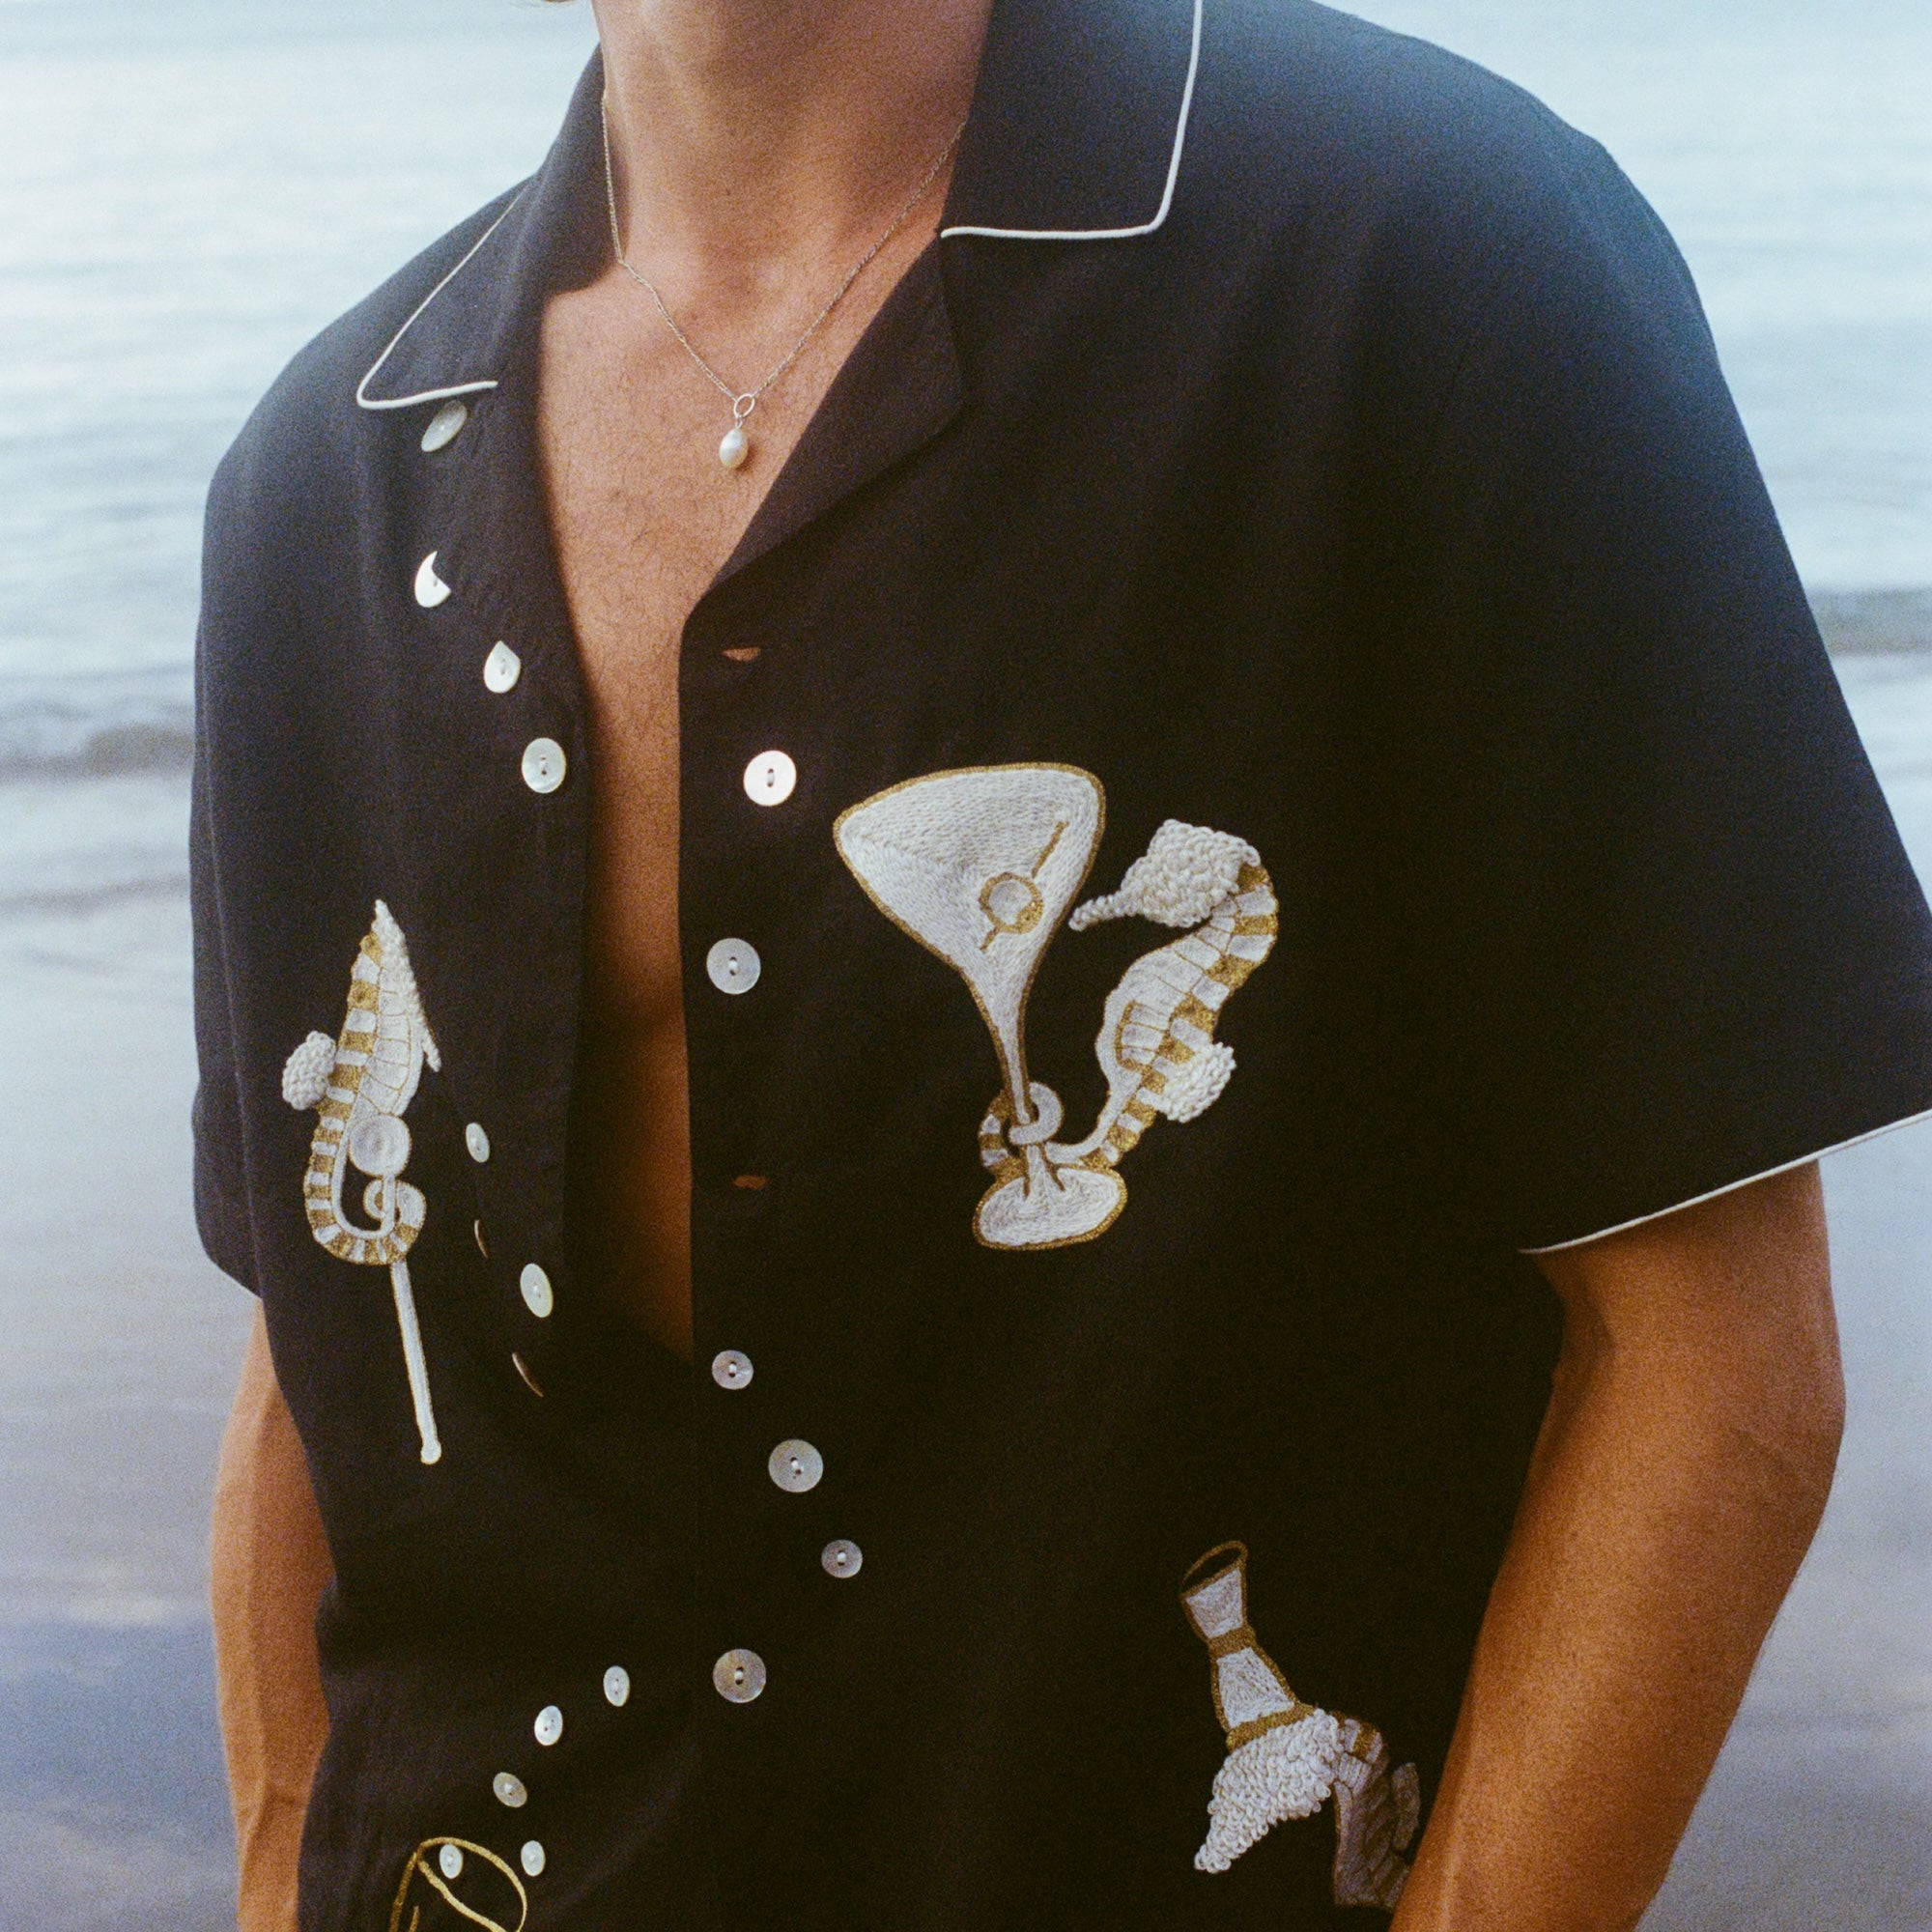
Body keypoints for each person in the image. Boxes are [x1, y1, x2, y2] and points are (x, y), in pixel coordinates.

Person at [191, 0, 1932, 1924]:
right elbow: (324, 1336)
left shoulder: (1426, 259)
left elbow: (1709, 1348)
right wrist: (279, 1873)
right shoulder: (325, 471)